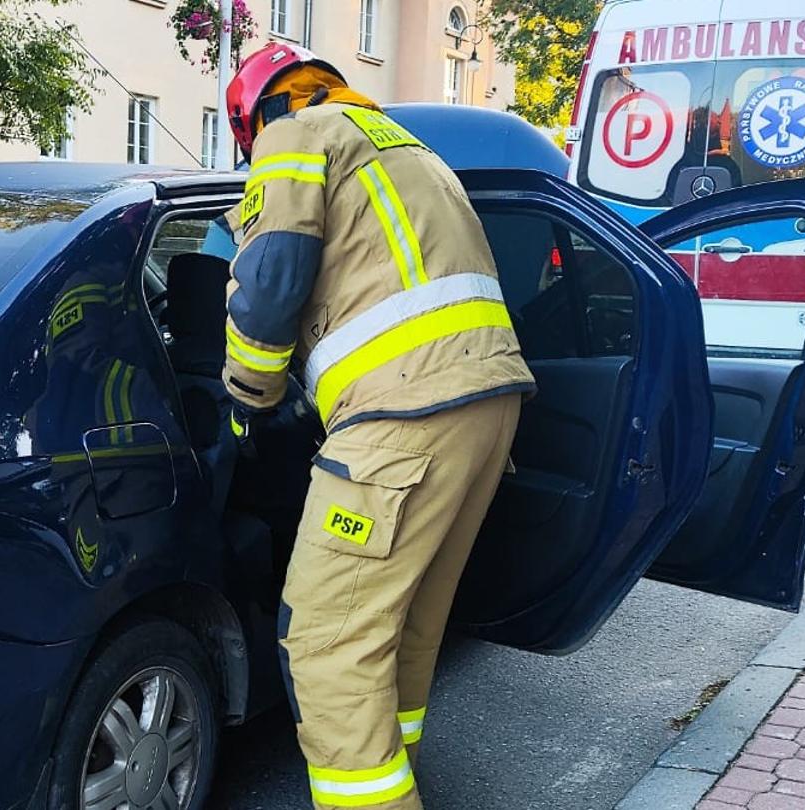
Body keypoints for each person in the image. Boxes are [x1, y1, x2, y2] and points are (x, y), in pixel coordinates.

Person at [220, 42, 535, 809]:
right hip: (487, 409)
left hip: (403, 419)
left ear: (260, 115)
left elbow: (272, 281)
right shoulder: (410, 151)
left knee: (327, 643)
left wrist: (245, 400)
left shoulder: (295, 136)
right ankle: (394, 779)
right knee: (406, 627)